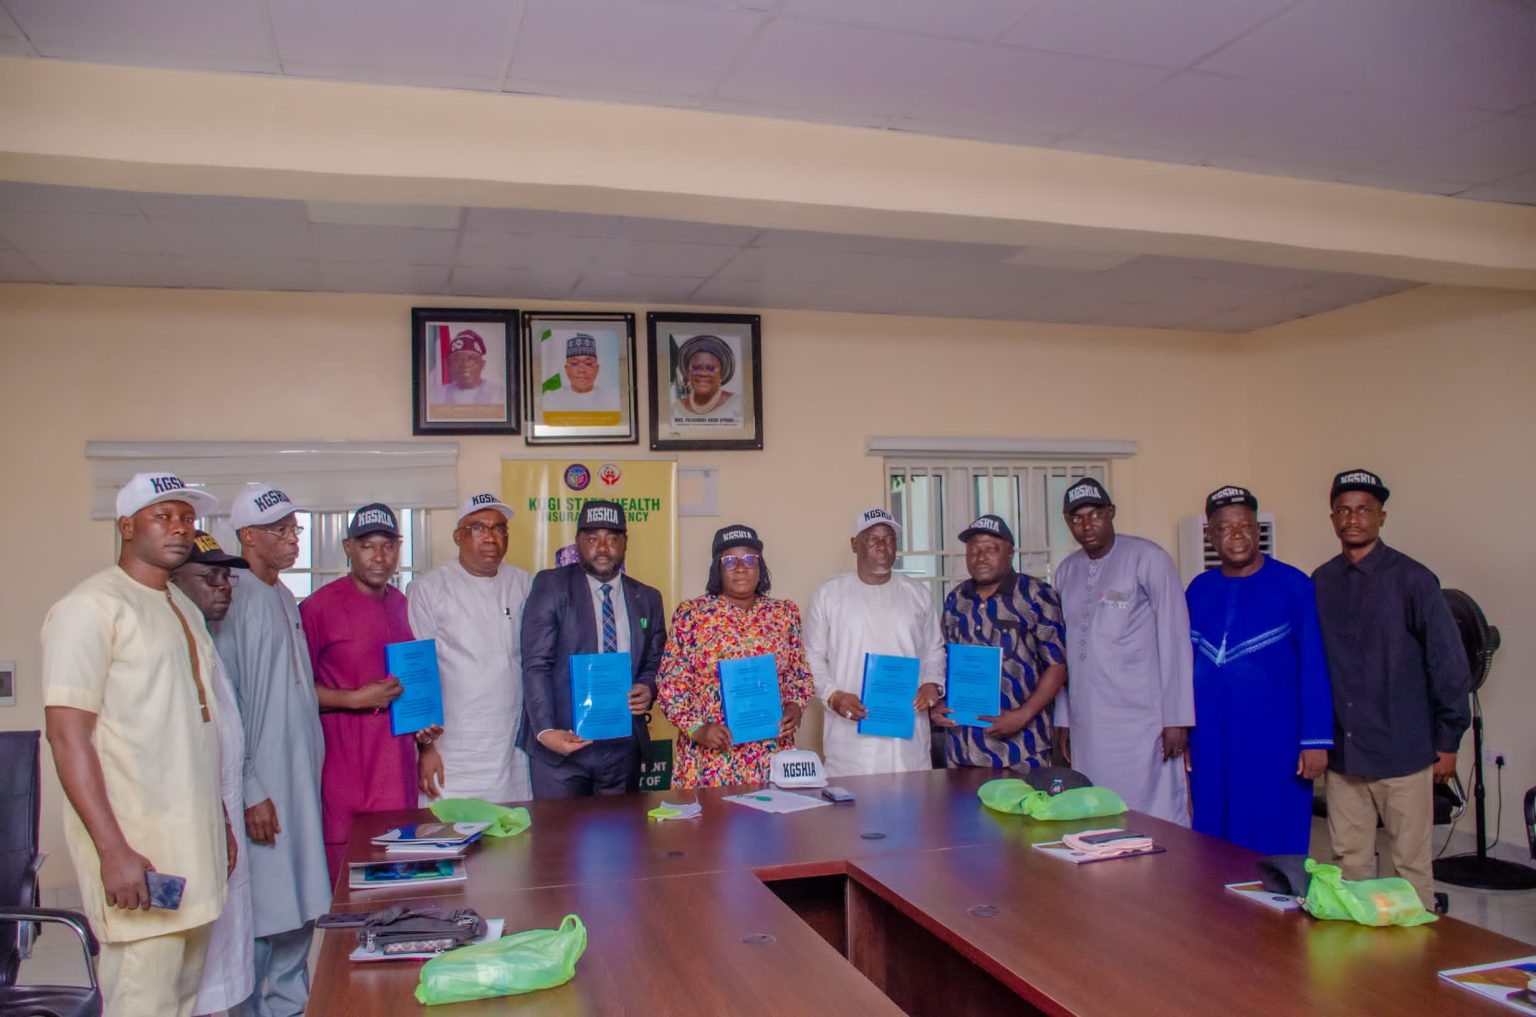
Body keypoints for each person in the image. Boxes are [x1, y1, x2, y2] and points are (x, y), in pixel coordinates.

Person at [41, 472, 229, 1017]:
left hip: (195, 850)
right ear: (126, 526)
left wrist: (219, 818)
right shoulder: (90, 607)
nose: (179, 528)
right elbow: (67, 736)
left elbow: (192, 728)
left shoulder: (181, 606)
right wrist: (113, 851)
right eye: (162, 516)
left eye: (187, 518)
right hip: (140, 858)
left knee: (183, 1001)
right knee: (142, 1000)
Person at [1312, 469, 1469, 909]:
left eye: (1364, 510)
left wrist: (1448, 740)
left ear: (1381, 517)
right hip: (1345, 755)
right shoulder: (1321, 582)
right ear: (1332, 518)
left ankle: (1415, 948)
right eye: (1344, 510)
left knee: (1410, 870)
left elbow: (1448, 663)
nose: (1353, 519)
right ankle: (1361, 948)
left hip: (1403, 752)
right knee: (1348, 865)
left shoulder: (1414, 580)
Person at [215, 483, 328, 1017]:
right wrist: (250, 789)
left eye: (294, 530)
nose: (292, 540)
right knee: (262, 911)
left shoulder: (283, 594)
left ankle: (290, 1006)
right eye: (279, 531)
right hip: (262, 789)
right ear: (247, 537)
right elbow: (228, 705)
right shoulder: (229, 595)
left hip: (299, 779)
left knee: (300, 904)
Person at [1185, 486, 1333, 856]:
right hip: (1211, 738)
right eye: (1224, 527)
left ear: (1257, 529)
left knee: (1272, 834)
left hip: (1275, 740)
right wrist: (1183, 732)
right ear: (1210, 534)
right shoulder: (1199, 589)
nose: (1236, 535)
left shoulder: (1294, 585)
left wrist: (1315, 741)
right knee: (1213, 837)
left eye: (1245, 525)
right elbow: (1182, 666)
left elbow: (1314, 666)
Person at [1054, 478, 1195, 825]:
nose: (1087, 525)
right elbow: (1062, 653)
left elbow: (1175, 638)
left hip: (1143, 720)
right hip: (1089, 722)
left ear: (1111, 513)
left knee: (1153, 811)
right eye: (1077, 518)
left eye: (1095, 515)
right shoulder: (1067, 571)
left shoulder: (1149, 558)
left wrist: (1177, 718)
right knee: (1097, 809)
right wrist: (1063, 718)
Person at [300, 503, 418, 878]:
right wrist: (352, 699)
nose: (379, 557)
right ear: (348, 548)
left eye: (388, 546)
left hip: (397, 767)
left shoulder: (403, 605)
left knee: (400, 875)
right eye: (368, 546)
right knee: (348, 881)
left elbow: (416, 682)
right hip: (346, 768)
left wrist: (428, 737)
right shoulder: (318, 608)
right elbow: (295, 690)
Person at [518, 500, 667, 797]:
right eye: (592, 539)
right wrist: (546, 731)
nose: (602, 548)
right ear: (577, 542)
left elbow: (655, 659)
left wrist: (647, 687)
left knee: (622, 828)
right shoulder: (552, 585)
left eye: (612, 539)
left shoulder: (648, 597)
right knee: (559, 829)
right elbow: (536, 663)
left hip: (621, 750)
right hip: (561, 748)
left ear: (625, 543)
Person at [169, 532, 257, 1016]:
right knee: (185, 979)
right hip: (186, 826)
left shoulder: (206, 638)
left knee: (222, 959)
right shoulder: (170, 641)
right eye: (209, 577)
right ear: (174, 581)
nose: (222, 586)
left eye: (227, 577)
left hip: (222, 816)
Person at [656, 524, 814, 788]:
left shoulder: (784, 614)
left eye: (750, 559)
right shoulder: (693, 615)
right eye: (730, 561)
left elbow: (800, 675)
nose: (741, 568)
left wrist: (796, 706)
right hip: (712, 758)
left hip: (770, 754)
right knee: (712, 817)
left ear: (760, 566)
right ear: (717, 569)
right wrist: (697, 729)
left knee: (773, 814)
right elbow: (670, 686)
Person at [409, 492, 533, 804]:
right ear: (458, 537)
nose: (491, 537)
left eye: (499, 528)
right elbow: (417, 673)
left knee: (513, 830)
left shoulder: (523, 583)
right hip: (453, 752)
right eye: (478, 528)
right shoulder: (429, 588)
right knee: (451, 831)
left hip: (510, 748)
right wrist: (425, 749)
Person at [805, 508, 945, 777]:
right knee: (853, 802)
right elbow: (812, 656)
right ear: (854, 544)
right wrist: (833, 696)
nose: (882, 546)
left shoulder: (917, 593)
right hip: (851, 740)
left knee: (911, 799)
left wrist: (932, 683)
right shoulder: (829, 594)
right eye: (872, 539)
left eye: (890, 539)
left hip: (908, 736)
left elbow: (933, 650)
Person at [939, 514, 1068, 773]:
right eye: (973, 550)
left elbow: (1058, 666)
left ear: (1010, 552)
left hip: (1022, 749)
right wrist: (939, 703)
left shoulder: (1037, 596)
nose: (980, 557)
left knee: (1022, 802)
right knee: (960, 802)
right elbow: (942, 658)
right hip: (962, 747)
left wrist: (1022, 715)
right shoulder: (957, 599)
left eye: (991, 549)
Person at [669, 334, 742, 423]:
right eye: (695, 367)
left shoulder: (739, 405)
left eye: (710, 368)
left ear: (722, 373)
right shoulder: (675, 409)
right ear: (688, 373)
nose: (702, 373)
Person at [541, 332, 619, 413]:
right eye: (574, 363)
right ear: (566, 369)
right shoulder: (552, 399)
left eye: (588, 363)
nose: (581, 370)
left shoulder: (611, 398)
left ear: (597, 369)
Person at [428, 328, 505, 406]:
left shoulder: (500, 395)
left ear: (482, 364)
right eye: (458, 358)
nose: (465, 364)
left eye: (471, 358)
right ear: (449, 364)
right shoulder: (435, 396)